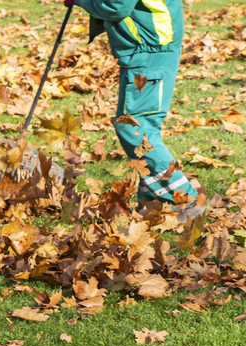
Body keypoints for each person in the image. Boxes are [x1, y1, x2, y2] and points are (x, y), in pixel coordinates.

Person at [64, 0, 204, 220]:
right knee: (138, 124)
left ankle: (186, 199)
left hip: (149, 47)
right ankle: (152, 201)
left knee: (135, 126)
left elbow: (117, 6)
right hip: (150, 44)